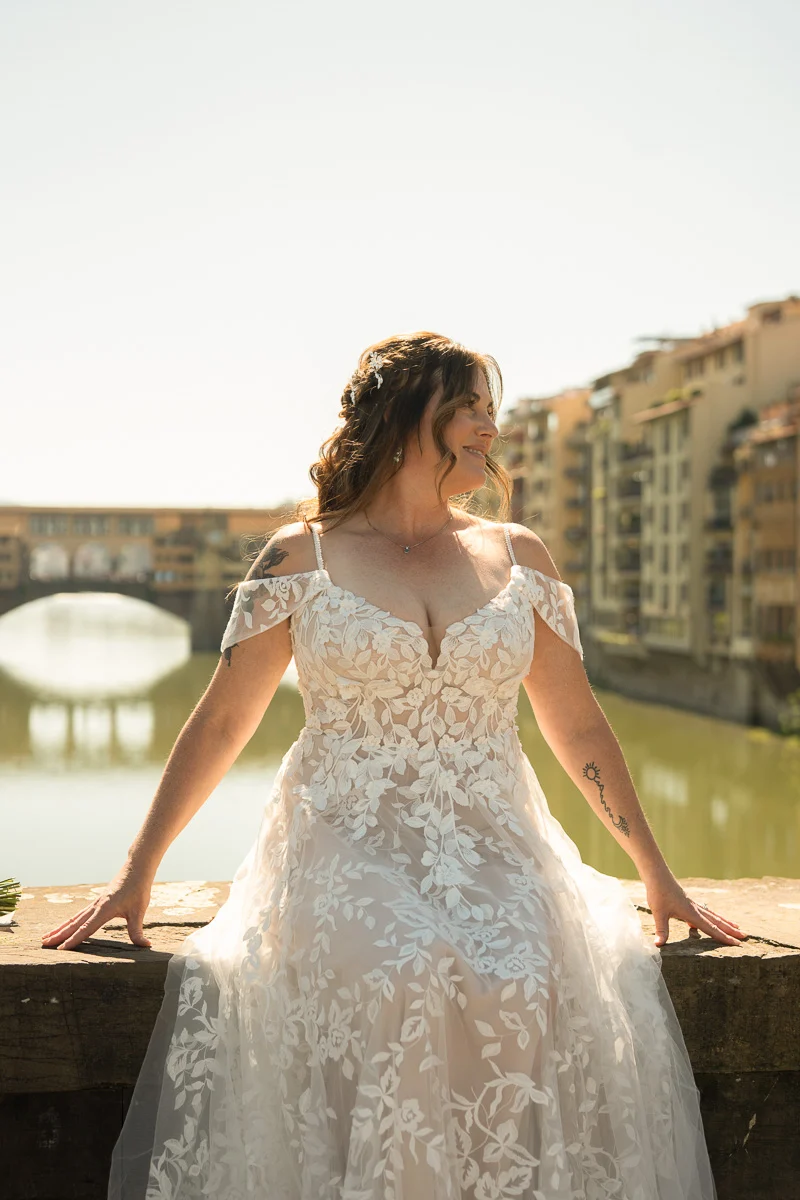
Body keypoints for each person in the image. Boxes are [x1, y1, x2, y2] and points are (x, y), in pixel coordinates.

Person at [42, 332, 744, 1199]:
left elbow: (579, 727)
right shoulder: (302, 557)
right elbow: (223, 720)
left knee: (527, 977)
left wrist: (656, 872)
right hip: (342, 839)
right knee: (403, 968)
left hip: (498, 843)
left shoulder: (521, 557)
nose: (493, 429)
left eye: (493, 410)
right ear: (413, 419)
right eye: (474, 410)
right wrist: (136, 870)